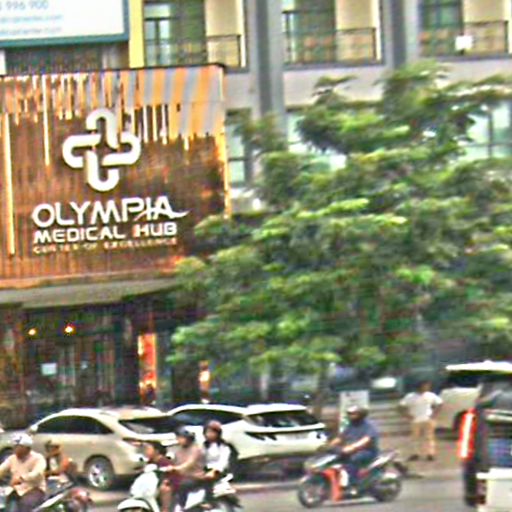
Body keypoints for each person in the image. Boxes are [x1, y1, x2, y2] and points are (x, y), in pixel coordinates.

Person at [330, 405, 380, 488]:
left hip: (367, 451)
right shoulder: (350, 425)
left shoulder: (369, 425)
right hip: (351, 450)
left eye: (353, 414)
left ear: (361, 415)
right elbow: (340, 438)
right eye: (349, 414)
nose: (350, 416)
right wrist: (329, 445)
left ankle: (354, 484)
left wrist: (353, 447)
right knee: (334, 459)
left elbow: (366, 440)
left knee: (353, 460)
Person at [0, 433, 46, 512]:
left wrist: (22, 479)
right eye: (14, 446)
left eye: (18, 447)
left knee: (26, 504)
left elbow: (37, 473)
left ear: (26, 448)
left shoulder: (38, 458)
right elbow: (2, 469)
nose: (15, 449)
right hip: (17, 490)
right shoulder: (12, 458)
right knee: (7, 506)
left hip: (34, 489)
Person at [400, 381, 443, 461]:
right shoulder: (410, 396)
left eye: (427, 386)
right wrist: (407, 415)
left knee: (429, 437)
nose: (427, 387)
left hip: (428, 419)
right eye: (425, 386)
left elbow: (440, 403)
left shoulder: (430, 395)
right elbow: (401, 406)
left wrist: (434, 414)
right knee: (415, 438)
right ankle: (415, 454)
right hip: (415, 420)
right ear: (419, 387)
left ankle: (430, 454)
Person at [164, 428, 205, 509]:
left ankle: (181, 507)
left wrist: (176, 468)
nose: (179, 440)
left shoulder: (196, 449)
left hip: (195, 477)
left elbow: (189, 464)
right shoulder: (179, 449)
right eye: (178, 438)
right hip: (181, 476)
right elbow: (174, 461)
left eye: (181, 438)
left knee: (183, 486)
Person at [202, 421, 233, 504]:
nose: (209, 434)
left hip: (219, 470)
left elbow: (223, 461)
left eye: (212, 432)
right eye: (207, 432)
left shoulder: (224, 446)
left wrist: (214, 471)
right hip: (206, 468)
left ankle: (209, 501)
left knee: (207, 480)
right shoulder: (204, 445)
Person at [144, 442, 173, 512]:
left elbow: (172, 475)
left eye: (148, 449)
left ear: (156, 451)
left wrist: (166, 480)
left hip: (168, 484)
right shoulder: (150, 462)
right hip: (153, 485)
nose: (146, 451)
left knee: (165, 489)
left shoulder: (164, 462)